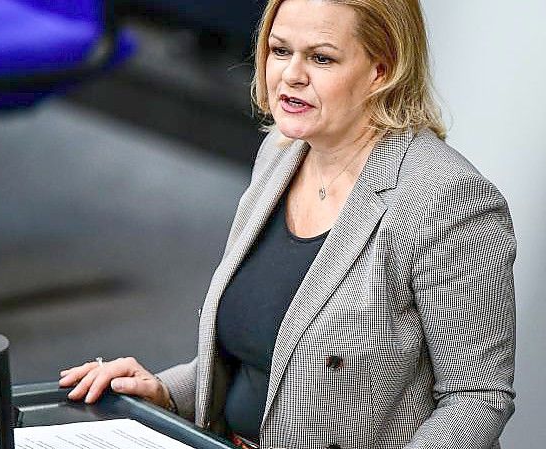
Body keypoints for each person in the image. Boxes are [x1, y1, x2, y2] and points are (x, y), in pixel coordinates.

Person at [59, 0, 517, 448]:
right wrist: (163, 393)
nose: (291, 75)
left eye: (321, 57)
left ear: (383, 69)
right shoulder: (281, 152)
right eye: (280, 51)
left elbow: (475, 401)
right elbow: (262, 360)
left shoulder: (448, 200)